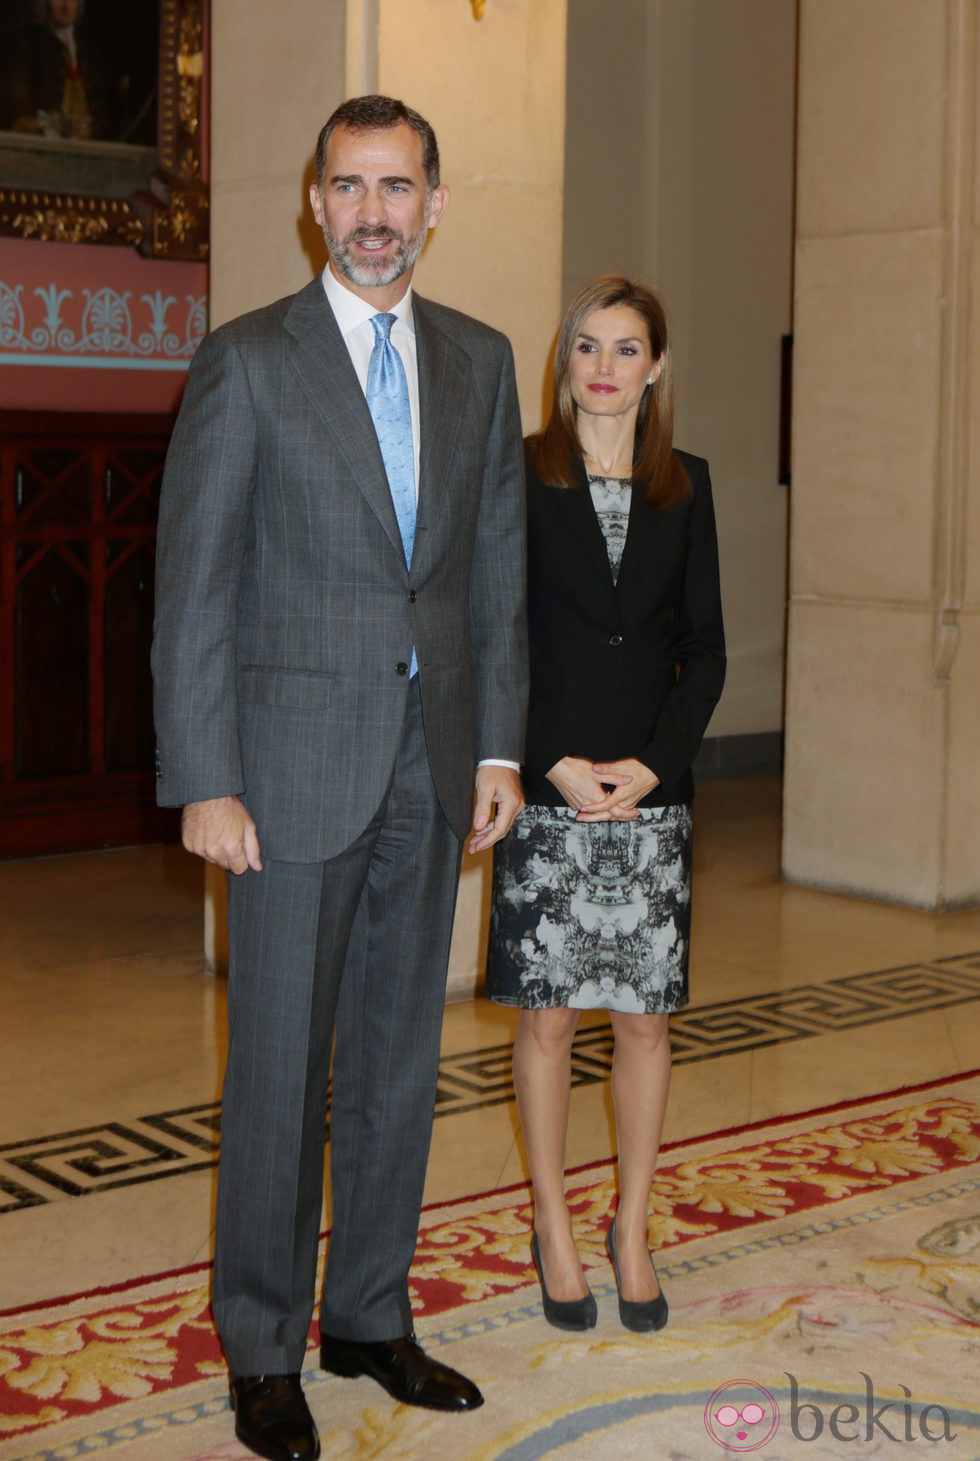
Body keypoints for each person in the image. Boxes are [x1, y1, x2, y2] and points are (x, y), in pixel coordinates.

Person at [152, 95, 527, 1461]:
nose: (375, 212)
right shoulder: (248, 362)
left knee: (396, 1062)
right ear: (315, 201)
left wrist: (495, 745)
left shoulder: (482, 362)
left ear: (437, 202)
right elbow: (194, 588)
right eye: (350, 186)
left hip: (433, 772)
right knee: (276, 1075)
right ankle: (262, 1345)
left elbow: (494, 582)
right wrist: (207, 776)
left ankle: (369, 1312)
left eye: (400, 186)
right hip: (287, 780)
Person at [485, 275, 725, 1334]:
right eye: (584, 346)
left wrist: (652, 769)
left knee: (641, 1026)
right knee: (547, 1022)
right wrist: (550, 761)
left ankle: (630, 1226)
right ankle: (553, 1224)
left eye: (624, 349)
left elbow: (701, 652)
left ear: (655, 367)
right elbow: (495, 636)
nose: (601, 367)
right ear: (563, 359)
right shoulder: (520, 475)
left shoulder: (687, 486)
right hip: (550, 795)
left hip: (647, 802)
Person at [0, 0, 113, 140]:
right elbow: (16, 113)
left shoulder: (91, 52)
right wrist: (53, 124)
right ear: (44, 3)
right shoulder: (25, 44)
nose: (66, 7)